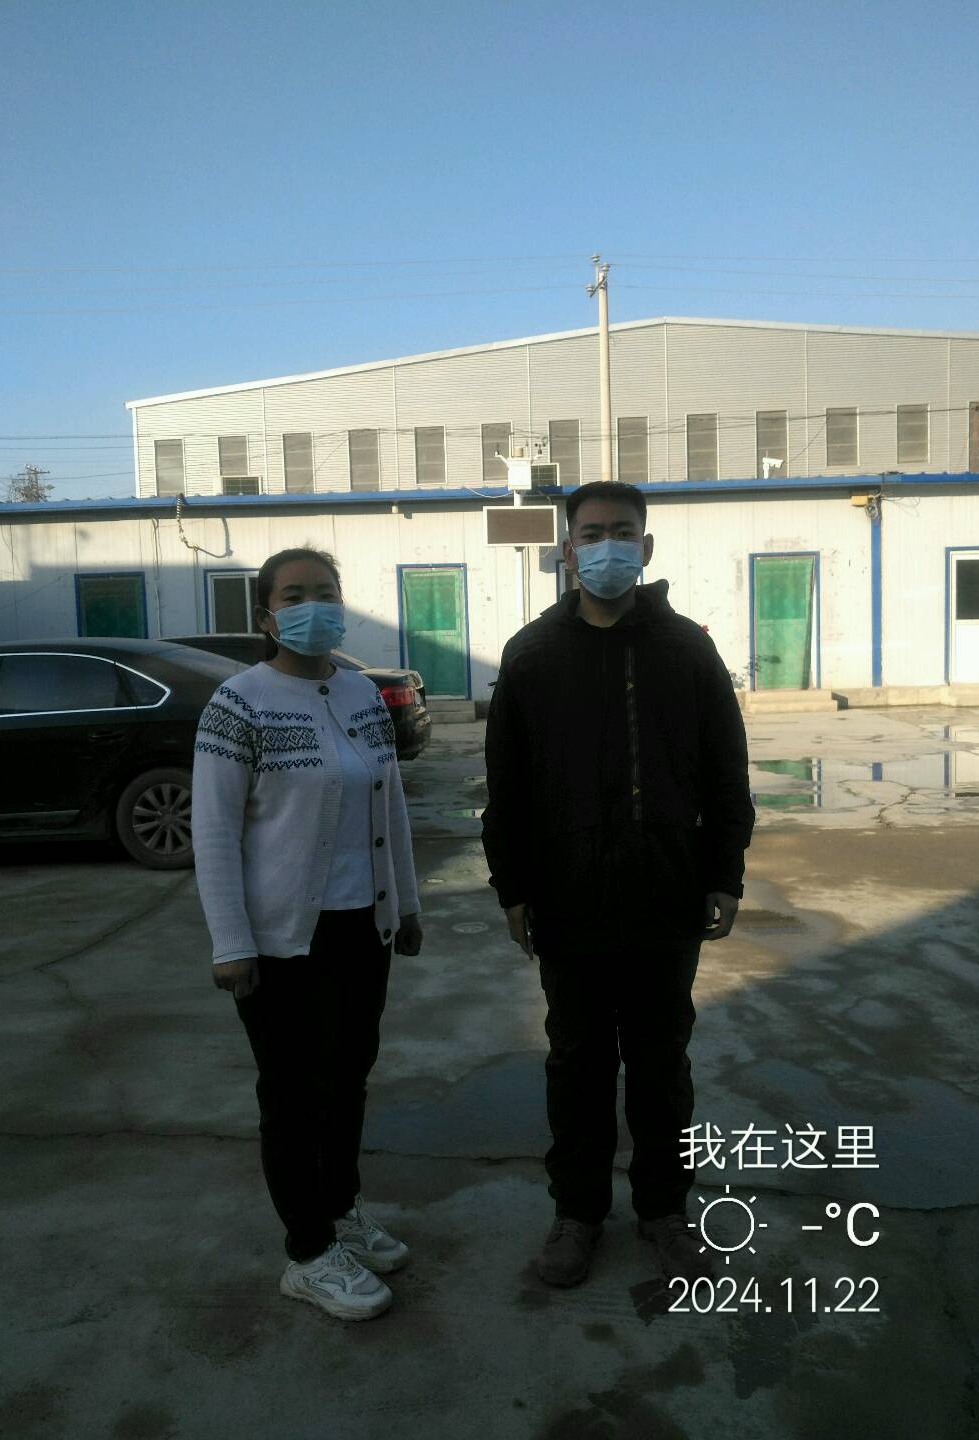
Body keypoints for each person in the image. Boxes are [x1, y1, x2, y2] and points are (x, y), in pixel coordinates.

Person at [481, 481, 754, 1286]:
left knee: (662, 1066)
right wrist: (512, 887)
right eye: (593, 533)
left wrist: (725, 873)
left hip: (666, 898)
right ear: (567, 549)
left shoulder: (687, 650)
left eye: (622, 531)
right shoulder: (532, 655)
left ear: (646, 546)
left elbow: (726, 770)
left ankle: (664, 1211)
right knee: (578, 1065)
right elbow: (508, 786)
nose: (608, 546)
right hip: (569, 902)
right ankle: (577, 1215)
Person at [190, 546, 423, 1322]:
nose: (313, 606)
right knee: (293, 1095)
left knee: (348, 1079)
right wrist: (231, 943)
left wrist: (406, 905)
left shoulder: (361, 694)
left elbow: (390, 805)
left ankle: (340, 1210)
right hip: (281, 943)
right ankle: (308, 1251)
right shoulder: (239, 703)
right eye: (294, 595)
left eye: (326, 592)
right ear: (266, 615)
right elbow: (214, 832)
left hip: (363, 928)